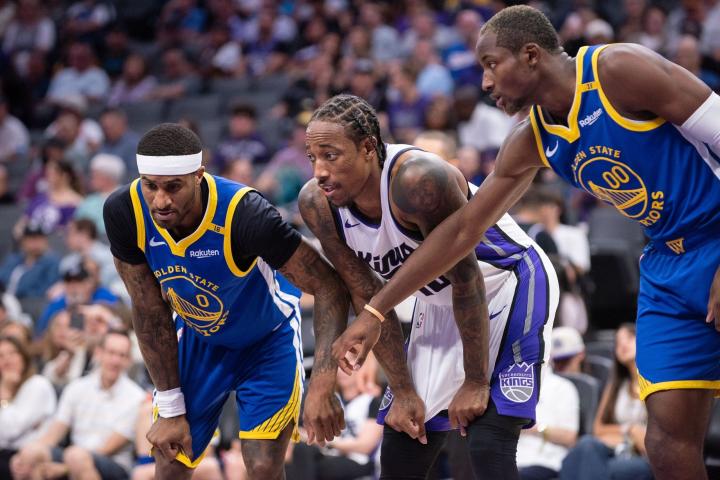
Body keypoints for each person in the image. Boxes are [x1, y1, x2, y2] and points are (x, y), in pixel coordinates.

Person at [333, 6, 720, 480]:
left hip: (715, 238)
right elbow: (462, 232)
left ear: (531, 55)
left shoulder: (619, 70)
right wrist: (376, 311)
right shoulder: (531, 138)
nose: (484, 82)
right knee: (665, 442)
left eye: (491, 64)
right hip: (665, 265)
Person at [300, 94, 558, 479]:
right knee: (403, 443)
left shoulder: (417, 180)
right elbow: (369, 300)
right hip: (439, 300)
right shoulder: (318, 205)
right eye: (312, 158)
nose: (319, 171)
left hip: (507, 281)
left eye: (331, 156)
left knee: (487, 440)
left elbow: (467, 279)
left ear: (368, 147)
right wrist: (403, 391)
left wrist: (475, 380)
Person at [103, 123, 350, 479]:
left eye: (173, 187)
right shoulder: (124, 212)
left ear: (198, 176)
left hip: (267, 339)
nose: (160, 201)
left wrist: (323, 384)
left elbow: (328, 286)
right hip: (199, 340)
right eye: (150, 186)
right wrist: (170, 407)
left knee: (262, 467)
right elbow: (149, 311)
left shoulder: (245, 213)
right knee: (170, 463)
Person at [11, 330, 146, 480]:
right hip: (74, 455)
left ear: (129, 360)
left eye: (122, 355)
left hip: (113, 464)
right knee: (30, 453)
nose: (115, 361)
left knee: (76, 456)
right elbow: (53, 434)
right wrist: (22, 455)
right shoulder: (77, 388)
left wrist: (65, 468)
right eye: (111, 353)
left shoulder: (136, 397)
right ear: (99, 353)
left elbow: (107, 449)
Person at [560, 324, 652, 480]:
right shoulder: (616, 384)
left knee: (587, 466)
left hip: (645, 455)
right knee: (585, 445)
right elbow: (598, 429)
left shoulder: (656, 381)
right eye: (618, 342)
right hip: (620, 448)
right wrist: (630, 431)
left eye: (629, 337)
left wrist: (633, 436)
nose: (623, 344)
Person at [0, 335, 57, 478]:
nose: (7, 360)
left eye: (13, 353)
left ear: (23, 357)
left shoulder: (37, 384)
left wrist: (5, 396)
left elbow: (10, 430)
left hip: (30, 457)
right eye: (1, 356)